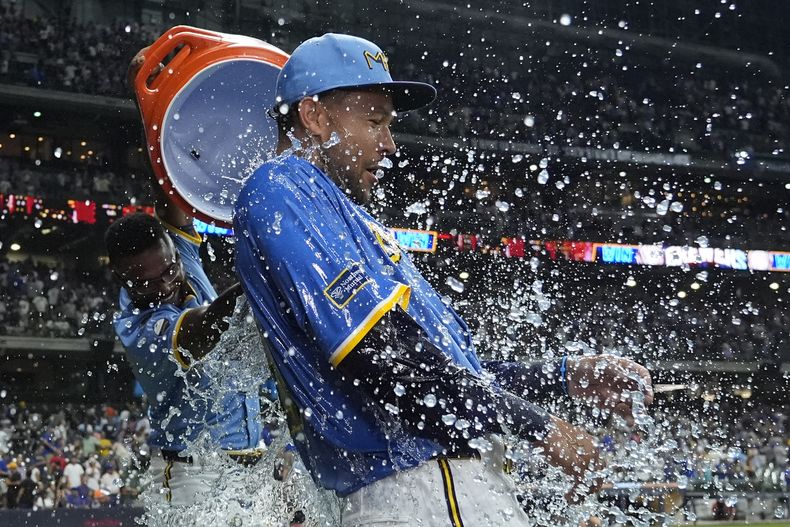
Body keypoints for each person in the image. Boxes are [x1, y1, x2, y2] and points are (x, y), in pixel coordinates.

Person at [234, 33, 655, 526]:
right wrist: (538, 427)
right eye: (375, 121)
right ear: (316, 117)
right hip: (416, 491)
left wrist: (563, 376)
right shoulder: (279, 187)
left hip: (435, 487)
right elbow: (386, 361)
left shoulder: (341, 214)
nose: (389, 143)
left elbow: (449, 378)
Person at [106, 49, 267, 508]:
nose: (164, 286)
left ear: (176, 247)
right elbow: (201, 329)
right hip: (194, 473)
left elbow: (168, 184)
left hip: (247, 459)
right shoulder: (138, 327)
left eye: (169, 270)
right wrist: (257, 287)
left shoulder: (179, 257)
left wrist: (153, 103)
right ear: (122, 278)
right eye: (147, 283)